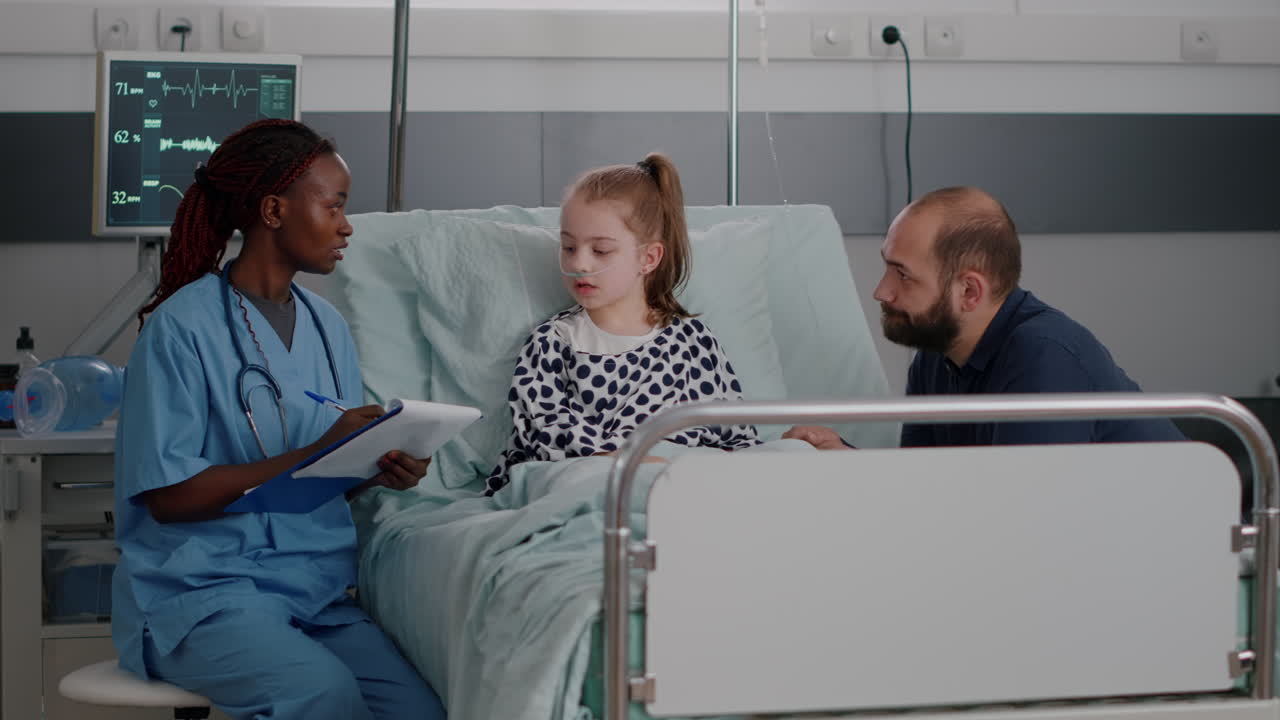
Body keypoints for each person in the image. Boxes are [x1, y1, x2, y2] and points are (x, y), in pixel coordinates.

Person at [112, 119, 446, 720]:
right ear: (273, 210)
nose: (347, 225)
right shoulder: (181, 328)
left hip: (312, 594)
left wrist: (377, 465)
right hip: (203, 597)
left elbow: (319, 478)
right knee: (320, 694)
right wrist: (317, 454)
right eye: (335, 206)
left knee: (417, 708)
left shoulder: (328, 327)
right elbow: (167, 497)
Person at [785, 186, 1182, 450]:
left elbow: (1018, 518)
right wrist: (844, 459)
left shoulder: (1044, 358)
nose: (882, 291)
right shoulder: (936, 355)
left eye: (902, 274)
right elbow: (922, 485)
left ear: (970, 292)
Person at [484, 153, 759, 494]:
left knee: (795, 455)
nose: (579, 263)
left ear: (648, 258)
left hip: (678, 487)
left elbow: (735, 437)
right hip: (585, 483)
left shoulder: (693, 343)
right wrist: (625, 461)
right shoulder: (552, 343)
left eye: (600, 251)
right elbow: (543, 430)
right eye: (568, 246)